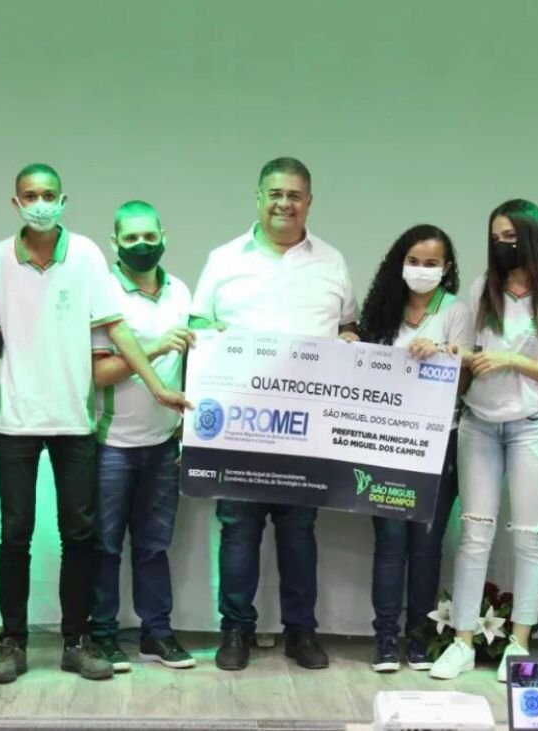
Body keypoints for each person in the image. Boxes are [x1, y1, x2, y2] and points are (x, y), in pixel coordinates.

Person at [0, 164, 188, 685]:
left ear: (63, 199)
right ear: (16, 203)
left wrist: (158, 387)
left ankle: (77, 642)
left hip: (75, 419)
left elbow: (116, 329)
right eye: (30, 195)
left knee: (79, 535)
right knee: (15, 535)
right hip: (17, 420)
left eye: (48, 194)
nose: (40, 203)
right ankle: (12, 642)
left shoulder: (88, 255)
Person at [190, 156, 359, 671]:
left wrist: (350, 343)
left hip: (307, 431)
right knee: (238, 531)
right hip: (239, 428)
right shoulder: (224, 259)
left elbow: (347, 326)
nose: (284, 203)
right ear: (259, 197)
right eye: (275, 193)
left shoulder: (331, 261)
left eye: (295, 195)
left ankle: (300, 632)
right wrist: (209, 338)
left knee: (299, 532)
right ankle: (235, 631)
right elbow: (197, 326)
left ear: (309, 201)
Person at [429, 199, 538, 682]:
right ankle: (461, 641)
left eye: (510, 238)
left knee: (529, 536)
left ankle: (518, 644)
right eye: (495, 238)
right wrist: (454, 353)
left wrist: (512, 361)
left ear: (532, 238)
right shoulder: (483, 287)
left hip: (533, 427)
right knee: (474, 534)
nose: (501, 245)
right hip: (479, 423)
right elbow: (474, 352)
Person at [88, 200, 196, 671]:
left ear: (164, 235)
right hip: (111, 445)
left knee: (154, 547)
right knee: (105, 547)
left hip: (164, 444)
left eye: (149, 236)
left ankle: (157, 633)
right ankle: (103, 635)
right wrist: (151, 348)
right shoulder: (103, 291)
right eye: (130, 238)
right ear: (114, 242)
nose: (141, 245)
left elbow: (195, 363)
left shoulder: (181, 291)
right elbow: (96, 374)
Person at [357, 224, 461, 673]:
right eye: (414, 261)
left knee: (427, 544)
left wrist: (443, 351)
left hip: (440, 441)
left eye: (431, 263)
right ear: (399, 262)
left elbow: (468, 370)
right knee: (390, 542)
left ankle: (419, 638)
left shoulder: (457, 310)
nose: (421, 270)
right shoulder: (382, 308)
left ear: (447, 267)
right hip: (386, 443)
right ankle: (385, 639)